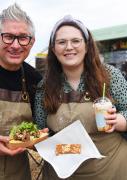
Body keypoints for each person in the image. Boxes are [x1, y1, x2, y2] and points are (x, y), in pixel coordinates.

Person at [34, 15, 127, 180]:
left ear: (87, 46)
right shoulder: (44, 86)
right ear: (54, 49)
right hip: (62, 173)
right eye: (62, 42)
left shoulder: (110, 75)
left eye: (76, 41)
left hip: (110, 170)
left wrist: (118, 121)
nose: (69, 47)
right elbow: (41, 131)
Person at [0, 3, 42, 180]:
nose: (16, 45)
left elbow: (41, 127)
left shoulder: (35, 80)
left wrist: (37, 139)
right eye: (8, 37)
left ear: (32, 42)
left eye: (23, 38)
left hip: (16, 174)